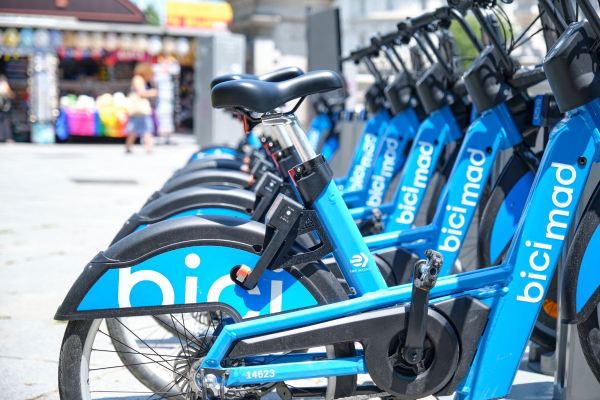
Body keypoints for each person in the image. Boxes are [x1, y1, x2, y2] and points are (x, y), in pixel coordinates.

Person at [125, 62, 157, 153]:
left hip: (139, 109)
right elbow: (141, 93)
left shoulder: (139, 79)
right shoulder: (138, 79)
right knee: (143, 128)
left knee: (138, 129)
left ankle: (145, 147)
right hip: (139, 108)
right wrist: (151, 92)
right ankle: (147, 148)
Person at [0, 74, 14, 143]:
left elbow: (11, 95)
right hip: (5, 108)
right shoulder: (4, 86)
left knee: (5, 122)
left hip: (4, 108)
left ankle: (6, 137)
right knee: (5, 122)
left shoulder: (4, 86)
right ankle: (7, 137)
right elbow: (11, 95)